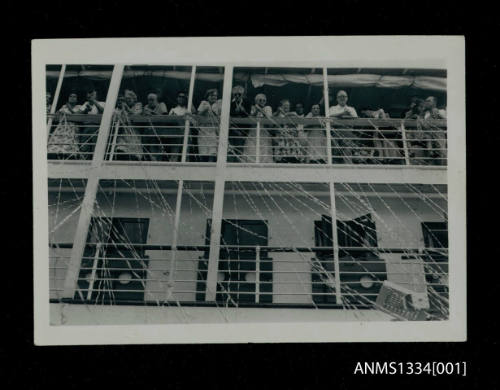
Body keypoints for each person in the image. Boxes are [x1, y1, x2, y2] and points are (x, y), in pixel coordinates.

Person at [47, 91, 82, 159]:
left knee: (69, 144)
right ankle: (56, 156)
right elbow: (56, 116)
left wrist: (69, 108)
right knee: (58, 143)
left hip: (72, 127)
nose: (72, 98)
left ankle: (68, 157)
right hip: (62, 127)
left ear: (77, 99)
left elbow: (76, 115)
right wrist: (60, 113)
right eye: (70, 96)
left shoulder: (79, 107)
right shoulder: (64, 106)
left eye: (74, 96)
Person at [112, 89, 144, 161]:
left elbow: (136, 115)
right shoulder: (119, 108)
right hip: (123, 133)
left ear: (134, 99)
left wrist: (126, 108)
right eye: (126, 99)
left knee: (134, 154)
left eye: (129, 99)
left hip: (134, 133)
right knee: (120, 149)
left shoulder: (138, 105)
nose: (128, 100)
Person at [272, 99, 307, 163]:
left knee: (293, 150)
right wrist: (278, 112)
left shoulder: (292, 113)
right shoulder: (278, 114)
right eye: (284, 105)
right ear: (281, 106)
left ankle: (293, 158)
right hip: (282, 136)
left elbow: (297, 121)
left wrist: (287, 115)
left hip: (291, 135)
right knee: (282, 152)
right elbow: (271, 119)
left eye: (288, 105)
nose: (286, 106)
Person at [242, 93, 274, 163]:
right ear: (256, 101)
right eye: (260, 100)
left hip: (264, 132)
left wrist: (260, 109)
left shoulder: (268, 108)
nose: (262, 102)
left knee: (264, 151)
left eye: (264, 100)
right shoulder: (253, 108)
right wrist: (256, 110)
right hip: (254, 131)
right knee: (252, 150)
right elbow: (250, 118)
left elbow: (269, 119)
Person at [328, 90, 358, 163]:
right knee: (335, 155)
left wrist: (344, 115)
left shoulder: (351, 109)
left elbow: (356, 120)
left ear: (347, 98)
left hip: (348, 134)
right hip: (336, 135)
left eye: (344, 96)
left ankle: (348, 172)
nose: (342, 98)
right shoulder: (332, 108)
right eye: (340, 96)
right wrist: (342, 114)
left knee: (347, 152)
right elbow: (329, 117)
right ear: (337, 99)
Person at [196, 88, 222, 162]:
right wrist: (205, 109)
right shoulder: (203, 103)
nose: (214, 97)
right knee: (203, 151)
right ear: (207, 96)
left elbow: (219, 117)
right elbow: (198, 115)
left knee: (212, 152)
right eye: (212, 95)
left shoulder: (217, 105)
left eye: (215, 96)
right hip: (203, 131)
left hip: (213, 131)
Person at [79, 89, 106, 160]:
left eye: (92, 94)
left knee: (96, 146)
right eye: (89, 94)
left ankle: (96, 162)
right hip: (86, 127)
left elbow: (104, 112)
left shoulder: (102, 103)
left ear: (97, 96)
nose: (90, 96)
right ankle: (83, 162)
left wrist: (94, 102)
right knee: (84, 146)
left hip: (97, 127)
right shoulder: (85, 104)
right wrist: (86, 110)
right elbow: (78, 114)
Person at [229, 85, 251, 162]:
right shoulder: (231, 103)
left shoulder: (247, 103)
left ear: (243, 95)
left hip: (242, 130)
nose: (237, 96)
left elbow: (248, 115)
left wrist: (243, 110)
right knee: (231, 149)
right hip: (232, 130)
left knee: (240, 148)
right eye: (235, 94)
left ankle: (238, 163)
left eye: (239, 94)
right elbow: (230, 115)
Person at [167, 91, 190, 162]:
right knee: (174, 153)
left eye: (183, 97)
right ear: (177, 98)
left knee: (186, 153)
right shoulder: (173, 110)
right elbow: (168, 122)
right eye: (179, 96)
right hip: (175, 133)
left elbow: (194, 117)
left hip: (186, 133)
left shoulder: (188, 109)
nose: (181, 98)